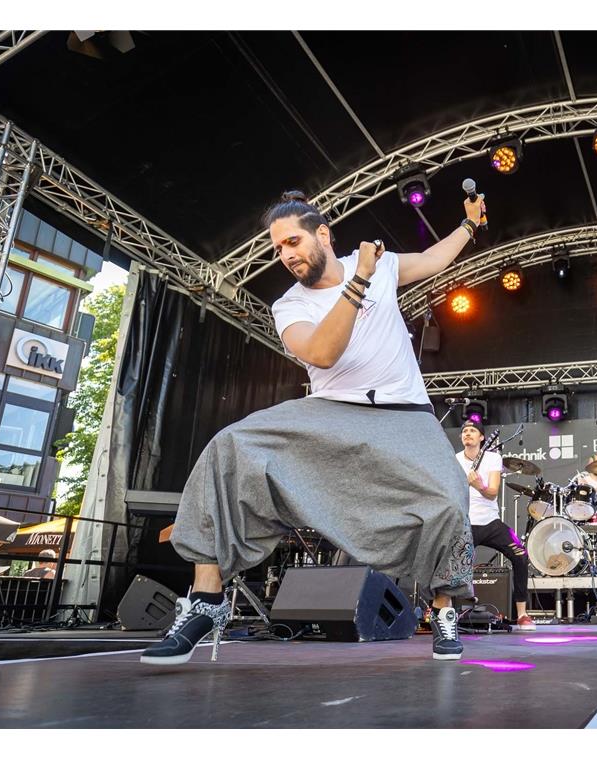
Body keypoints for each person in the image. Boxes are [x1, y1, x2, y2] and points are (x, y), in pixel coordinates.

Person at [141, 189, 487, 665]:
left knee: (449, 495)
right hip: (332, 410)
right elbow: (324, 353)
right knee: (230, 446)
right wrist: (359, 280)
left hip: (404, 411)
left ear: (322, 234)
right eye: (278, 248)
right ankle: (206, 600)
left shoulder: (380, 266)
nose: (286, 254)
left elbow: (431, 258)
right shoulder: (290, 306)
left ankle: (444, 609)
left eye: (293, 241)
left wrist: (468, 226)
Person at [455, 420, 536, 631]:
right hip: (465, 523)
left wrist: (478, 484)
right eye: (464, 431)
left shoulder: (492, 458)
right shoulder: (454, 460)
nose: (468, 434)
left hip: (490, 522)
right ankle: (451, 613)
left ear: (482, 437)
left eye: (472, 431)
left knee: (520, 556)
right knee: (454, 563)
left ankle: (522, 614)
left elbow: (491, 493)